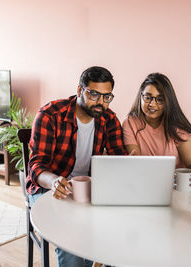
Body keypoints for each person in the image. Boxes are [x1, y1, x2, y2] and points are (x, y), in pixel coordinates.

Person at [26, 66, 127, 267]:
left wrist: (126, 163)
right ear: (80, 90)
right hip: (49, 188)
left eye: (107, 97)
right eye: (95, 94)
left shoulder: (109, 120)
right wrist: (54, 181)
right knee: (70, 238)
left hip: (87, 191)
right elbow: (37, 166)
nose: (100, 102)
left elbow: (118, 159)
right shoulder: (50, 114)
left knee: (112, 231)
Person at [122, 73, 191, 190]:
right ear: (140, 97)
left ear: (168, 102)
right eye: (148, 97)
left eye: (160, 99)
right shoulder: (130, 122)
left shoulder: (178, 127)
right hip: (144, 184)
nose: (152, 104)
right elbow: (137, 161)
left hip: (174, 188)